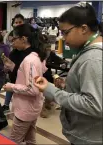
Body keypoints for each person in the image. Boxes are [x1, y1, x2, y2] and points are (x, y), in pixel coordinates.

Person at [34, 2, 102, 144]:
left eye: (66, 32)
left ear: (83, 29)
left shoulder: (92, 59)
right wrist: (70, 85)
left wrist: (52, 91)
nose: (63, 38)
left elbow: (94, 105)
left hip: (89, 138)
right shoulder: (90, 54)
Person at [3, 24, 47, 144]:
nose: (12, 43)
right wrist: (12, 67)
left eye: (14, 39)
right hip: (32, 106)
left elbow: (33, 89)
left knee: (14, 140)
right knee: (30, 139)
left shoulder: (29, 60)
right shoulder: (36, 55)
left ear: (23, 39)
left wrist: (11, 86)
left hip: (26, 108)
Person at [2, 13, 25, 112]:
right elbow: (7, 46)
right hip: (13, 59)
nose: (18, 24)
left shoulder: (28, 33)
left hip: (23, 60)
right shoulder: (10, 34)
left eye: (20, 22)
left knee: (22, 83)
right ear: (13, 24)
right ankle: (6, 104)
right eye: (16, 22)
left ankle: (21, 107)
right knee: (11, 82)